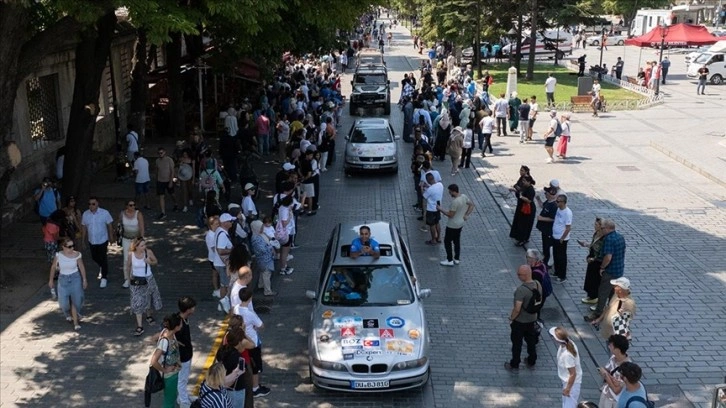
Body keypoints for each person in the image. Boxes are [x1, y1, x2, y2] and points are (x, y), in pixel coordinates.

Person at [233, 287, 271, 398]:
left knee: (244, 362)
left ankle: (247, 382)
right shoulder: (250, 314)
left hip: (241, 341)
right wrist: (254, 327)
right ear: (250, 298)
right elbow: (261, 325)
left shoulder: (236, 309)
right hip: (252, 341)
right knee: (255, 366)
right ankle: (255, 388)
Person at [588, 218, 626, 320]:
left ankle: (598, 313)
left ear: (608, 228)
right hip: (619, 270)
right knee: (613, 293)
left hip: (610, 271)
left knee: (603, 292)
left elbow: (608, 257)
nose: (601, 229)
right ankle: (613, 311)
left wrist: (602, 267)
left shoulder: (608, 239)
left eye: (603, 227)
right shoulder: (620, 237)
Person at [505, 265, 541, 371]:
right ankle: (531, 360)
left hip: (520, 322)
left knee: (517, 343)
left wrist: (512, 318)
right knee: (531, 341)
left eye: (519, 274)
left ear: (525, 276)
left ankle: (515, 363)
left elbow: (517, 308)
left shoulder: (521, 290)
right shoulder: (538, 285)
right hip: (532, 319)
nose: (517, 276)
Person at [48, 238, 87, 330]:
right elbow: (53, 267)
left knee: (77, 300)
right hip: (63, 279)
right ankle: (68, 313)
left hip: (75, 278)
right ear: (63, 247)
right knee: (64, 303)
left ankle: (76, 322)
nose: (72, 248)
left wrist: (84, 279)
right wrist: (51, 280)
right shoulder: (59, 255)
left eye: (73, 246)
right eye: (69, 247)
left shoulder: (77, 255)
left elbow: (81, 266)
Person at [126, 237, 162, 336]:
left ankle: (149, 315)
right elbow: (128, 266)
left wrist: (150, 262)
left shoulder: (148, 252)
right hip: (136, 281)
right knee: (137, 301)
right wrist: (128, 278)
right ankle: (139, 326)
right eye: (141, 245)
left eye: (144, 245)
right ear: (136, 246)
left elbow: (155, 261)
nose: (144, 247)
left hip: (148, 279)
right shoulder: (131, 255)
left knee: (148, 298)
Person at [149, 314, 183, 408]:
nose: (181, 325)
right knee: (169, 401)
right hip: (170, 375)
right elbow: (154, 361)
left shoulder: (167, 332)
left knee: (171, 398)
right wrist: (165, 370)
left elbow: (154, 337)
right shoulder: (165, 341)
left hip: (174, 372)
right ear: (176, 327)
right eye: (180, 324)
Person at [438, 184, 475, 266]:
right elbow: (472, 204)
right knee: (456, 241)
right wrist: (466, 214)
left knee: (447, 241)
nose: (449, 193)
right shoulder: (464, 197)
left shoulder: (455, 202)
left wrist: (441, 209)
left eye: (450, 192)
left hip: (452, 225)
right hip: (460, 223)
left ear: (453, 191)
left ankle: (449, 259)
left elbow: (450, 215)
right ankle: (457, 258)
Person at [81, 197, 114, 288]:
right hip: (92, 240)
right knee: (94, 257)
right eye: (89, 204)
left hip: (102, 239)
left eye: (93, 204)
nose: (91, 206)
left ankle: (104, 277)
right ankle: (102, 267)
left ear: (97, 204)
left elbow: (109, 225)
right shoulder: (85, 214)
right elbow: (84, 227)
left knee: (103, 257)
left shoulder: (104, 213)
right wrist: (83, 240)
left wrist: (111, 237)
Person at [549, 326, 583, 408]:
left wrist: (568, 389)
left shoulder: (567, 355)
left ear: (557, 339)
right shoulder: (568, 343)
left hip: (571, 384)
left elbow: (573, 374)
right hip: (569, 382)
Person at [598, 334, 631, 408]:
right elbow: (607, 370)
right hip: (606, 393)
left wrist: (606, 376)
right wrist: (604, 372)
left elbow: (616, 390)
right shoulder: (613, 357)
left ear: (618, 350)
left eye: (611, 346)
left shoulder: (627, 368)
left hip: (615, 401)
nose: (609, 347)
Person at [578, 217, 604, 305]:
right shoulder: (596, 233)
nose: (594, 226)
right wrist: (585, 244)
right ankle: (590, 295)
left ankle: (594, 296)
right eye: (595, 224)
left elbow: (602, 251)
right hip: (591, 258)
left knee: (595, 279)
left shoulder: (604, 237)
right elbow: (593, 245)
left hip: (597, 260)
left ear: (601, 226)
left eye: (596, 225)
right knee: (589, 277)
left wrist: (593, 258)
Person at [119, 200, 145, 288]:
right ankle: (127, 279)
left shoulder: (138, 214)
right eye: (130, 205)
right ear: (126, 206)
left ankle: (135, 277)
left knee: (136, 259)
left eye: (134, 205)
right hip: (126, 239)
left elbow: (141, 228)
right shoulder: (122, 214)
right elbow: (119, 226)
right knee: (126, 259)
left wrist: (141, 240)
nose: (133, 207)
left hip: (135, 240)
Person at [176, 296, 197, 408]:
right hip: (183, 355)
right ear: (188, 309)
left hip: (187, 353)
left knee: (184, 376)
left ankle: (183, 396)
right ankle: (183, 401)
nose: (194, 309)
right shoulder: (179, 322)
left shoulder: (184, 319)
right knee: (182, 378)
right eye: (193, 307)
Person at [250, 220, 279, 296]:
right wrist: (270, 246)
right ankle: (267, 291)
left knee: (262, 272)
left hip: (264, 259)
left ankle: (261, 285)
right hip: (264, 259)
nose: (263, 228)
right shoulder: (256, 238)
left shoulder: (259, 234)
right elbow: (262, 249)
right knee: (267, 274)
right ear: (256, 228)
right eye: (261, 227)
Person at [213, 213, 235, 313]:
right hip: (222, 264)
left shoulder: (220, 231)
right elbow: (220, 250)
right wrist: (232, 250)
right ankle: (224, 303)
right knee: (225, 284)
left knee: (224, 284)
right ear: (225, 223)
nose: (232, 223)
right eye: (230, 221)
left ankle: (222, 304)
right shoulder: (222, 235)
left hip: (220, 263)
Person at [509, 175, 536, 246]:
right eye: (522, 180)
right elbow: (520, 191)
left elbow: (529, 200)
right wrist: (514, 190)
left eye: (524, 181)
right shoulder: (525, 187)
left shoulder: (531, 190)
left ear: (529, 182)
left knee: (524, 225)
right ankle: (519, 237)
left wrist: (521, 196)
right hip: (522, 207)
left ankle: (523, 239)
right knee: (519, 222)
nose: (523, 182)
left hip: (528, 209)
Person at [552, 194, 572, 283]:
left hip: (561, 239)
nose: (556, 202)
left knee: (561, 257)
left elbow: (568, 228)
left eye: (558, 201)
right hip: (555, 236)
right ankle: (556, 272)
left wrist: (562, 238)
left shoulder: (567, 213)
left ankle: (562, 275)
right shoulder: (558, 209)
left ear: (563, 202)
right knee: (555, 255)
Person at [535, 186, 558, 267]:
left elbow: (552, 219)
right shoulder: (548, 201)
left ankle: (548, 263)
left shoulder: (554, 205)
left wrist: (542, 218)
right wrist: (538, 199)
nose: (545, 194)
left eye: (546, 193)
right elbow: (542, 206)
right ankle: (545, 259)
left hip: (549, 230)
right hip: (544, 230)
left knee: (548, 247)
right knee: (544, 246)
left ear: (550, 194)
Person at [423, 172, 444, 245]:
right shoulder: (440, 185)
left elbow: (424, 196)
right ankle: (438, 238)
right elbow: (433, 188)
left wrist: (423, 188)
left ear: (428, 180)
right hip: (438, 208)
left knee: (432, 225)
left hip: (431, 209)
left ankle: (433, 240)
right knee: (437, 222)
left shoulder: (430, 189)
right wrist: (428, 186)